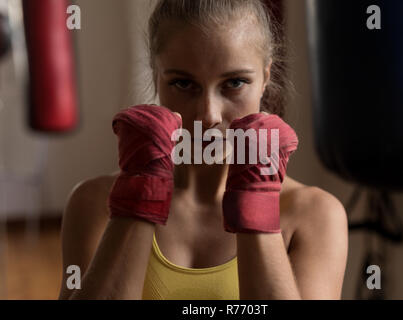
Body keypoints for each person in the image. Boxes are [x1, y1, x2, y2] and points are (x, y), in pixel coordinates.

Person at [58, 0, 348, 300]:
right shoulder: (94, 203)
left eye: (234, 83)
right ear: (155, 76)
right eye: (183, 83)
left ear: (266, 78)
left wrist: (257, 203)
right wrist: (138, 196)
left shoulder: (314, 215)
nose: (208, 115)